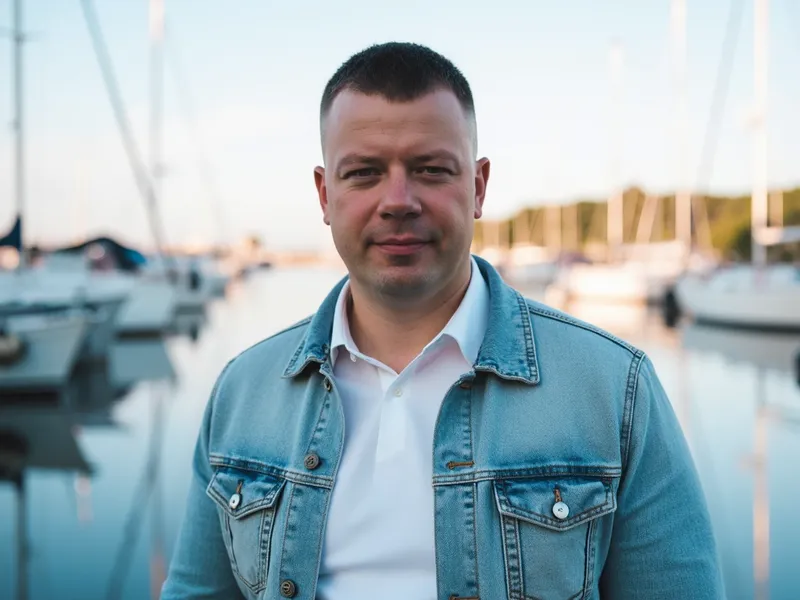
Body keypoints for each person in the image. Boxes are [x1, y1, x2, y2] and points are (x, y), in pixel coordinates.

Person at [161, 42, 724, 600]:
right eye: (364, 173)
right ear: (325, 193)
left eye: (430, 169)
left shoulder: (613, 389)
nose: (399, 200)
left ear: (477, 187)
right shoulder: (243, 391)